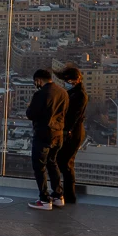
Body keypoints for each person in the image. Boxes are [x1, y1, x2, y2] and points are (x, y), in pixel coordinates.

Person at [25, 68, 68, 211]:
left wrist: (28, 108)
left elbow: (31, 114)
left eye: (35, 82)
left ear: (38, 80)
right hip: (58, 134)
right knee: (53, 163)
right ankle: (58, 196)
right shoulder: (63, 93)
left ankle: (44, 199)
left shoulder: (40, 94)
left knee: (39, 166)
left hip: (43, 133)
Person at [54, 65, 87, 204]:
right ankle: (67, 194)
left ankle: (69, 195)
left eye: (68, 80)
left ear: (77, 79)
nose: (66, 83)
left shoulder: (80, 95)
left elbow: (74, 115)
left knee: (65, 163)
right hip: (71, 132)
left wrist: (67, 131)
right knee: (65, 162)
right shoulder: (74, 92)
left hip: (73, 133)